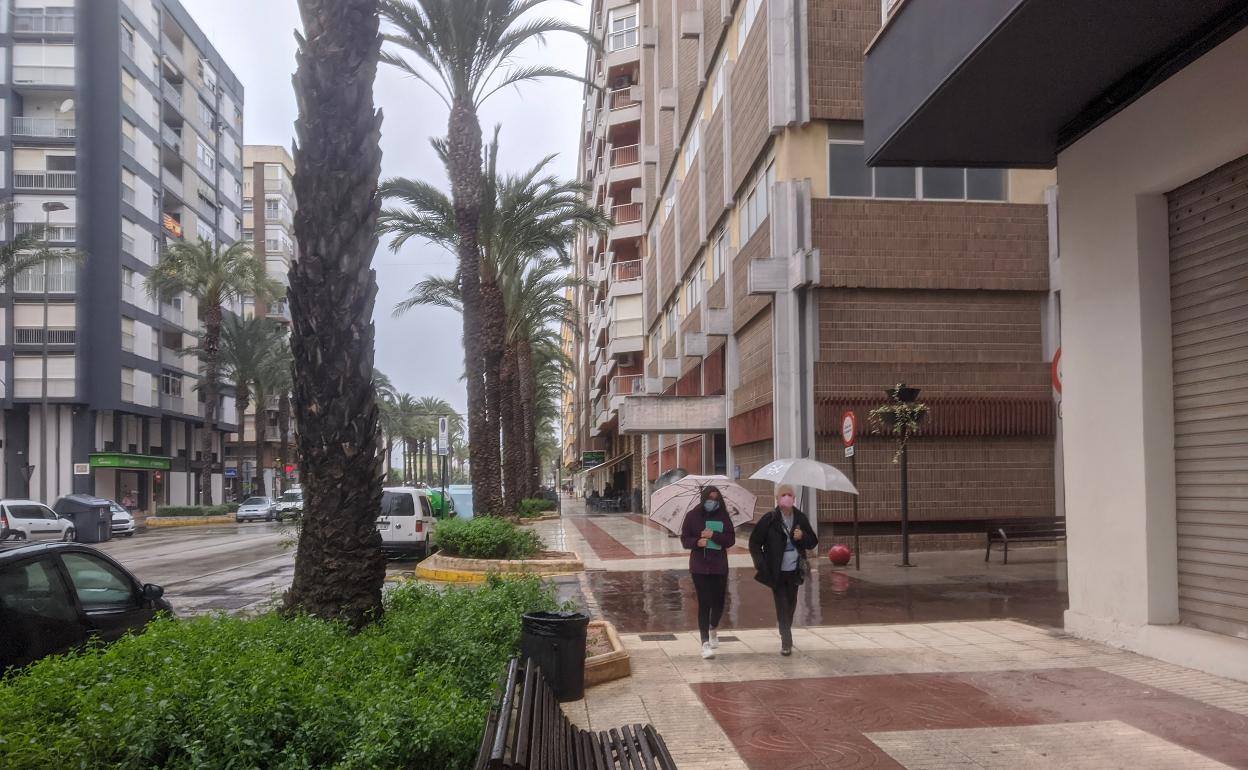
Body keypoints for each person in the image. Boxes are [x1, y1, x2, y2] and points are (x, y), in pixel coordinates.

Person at [749, 484, 819, 656]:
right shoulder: (770, 519)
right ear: (777, 498)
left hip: (794, 569)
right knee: (781, 603)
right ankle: (786, 641)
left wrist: (802, 537)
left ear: (794, 498)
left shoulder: (800, 518)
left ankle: (783, 625)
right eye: (783, 494)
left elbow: (813, 542)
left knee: (791, 603)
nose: (786, 497)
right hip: (776, 571)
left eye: (789, 495)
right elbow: (754, 543)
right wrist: (761, 564)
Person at [680, 485, 736, 659]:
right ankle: (704, 642)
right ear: (703, 499)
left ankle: (713, 627)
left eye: (716, 499)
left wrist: (714, 536)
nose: (712, 502)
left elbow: (730, 539)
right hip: (699, 566)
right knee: (704, 602)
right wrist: (698, 542)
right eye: (709, 499)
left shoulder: (723, 516)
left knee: (718, 602)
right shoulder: (692, 516)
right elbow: (685, 539)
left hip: (719, 565)